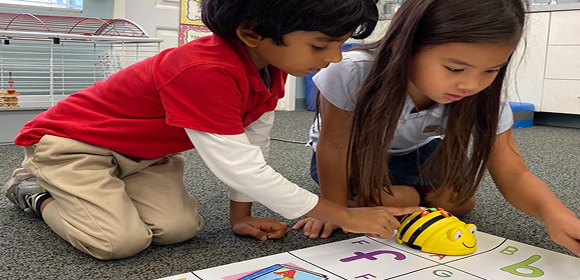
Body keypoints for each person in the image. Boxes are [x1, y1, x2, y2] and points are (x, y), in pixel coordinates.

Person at [1, 0, 422, 260]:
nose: (333, 58)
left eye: (341, 44)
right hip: (75, 145)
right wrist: (343, 214)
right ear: (252, 33)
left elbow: (251, 149)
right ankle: (33, 191)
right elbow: (241, 169)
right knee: (118, 242)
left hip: (146, 157)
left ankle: (104, 191)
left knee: (178, 229)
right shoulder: (204, 69)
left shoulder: (271, 68)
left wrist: (241, 217)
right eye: (320, 45)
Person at [293, 0, 580, 256]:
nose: (471, 84)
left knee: (461, 202)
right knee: (380, 200)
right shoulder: (353, 72)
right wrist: (334, 208)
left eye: (491, 70)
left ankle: (410, 196)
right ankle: (405, 196)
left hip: (414, 151)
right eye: (455, 69)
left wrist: (556, 215)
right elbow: (333, 146)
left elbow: (513, 170)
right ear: (404, 46)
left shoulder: (485, 97)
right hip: (354, 155)